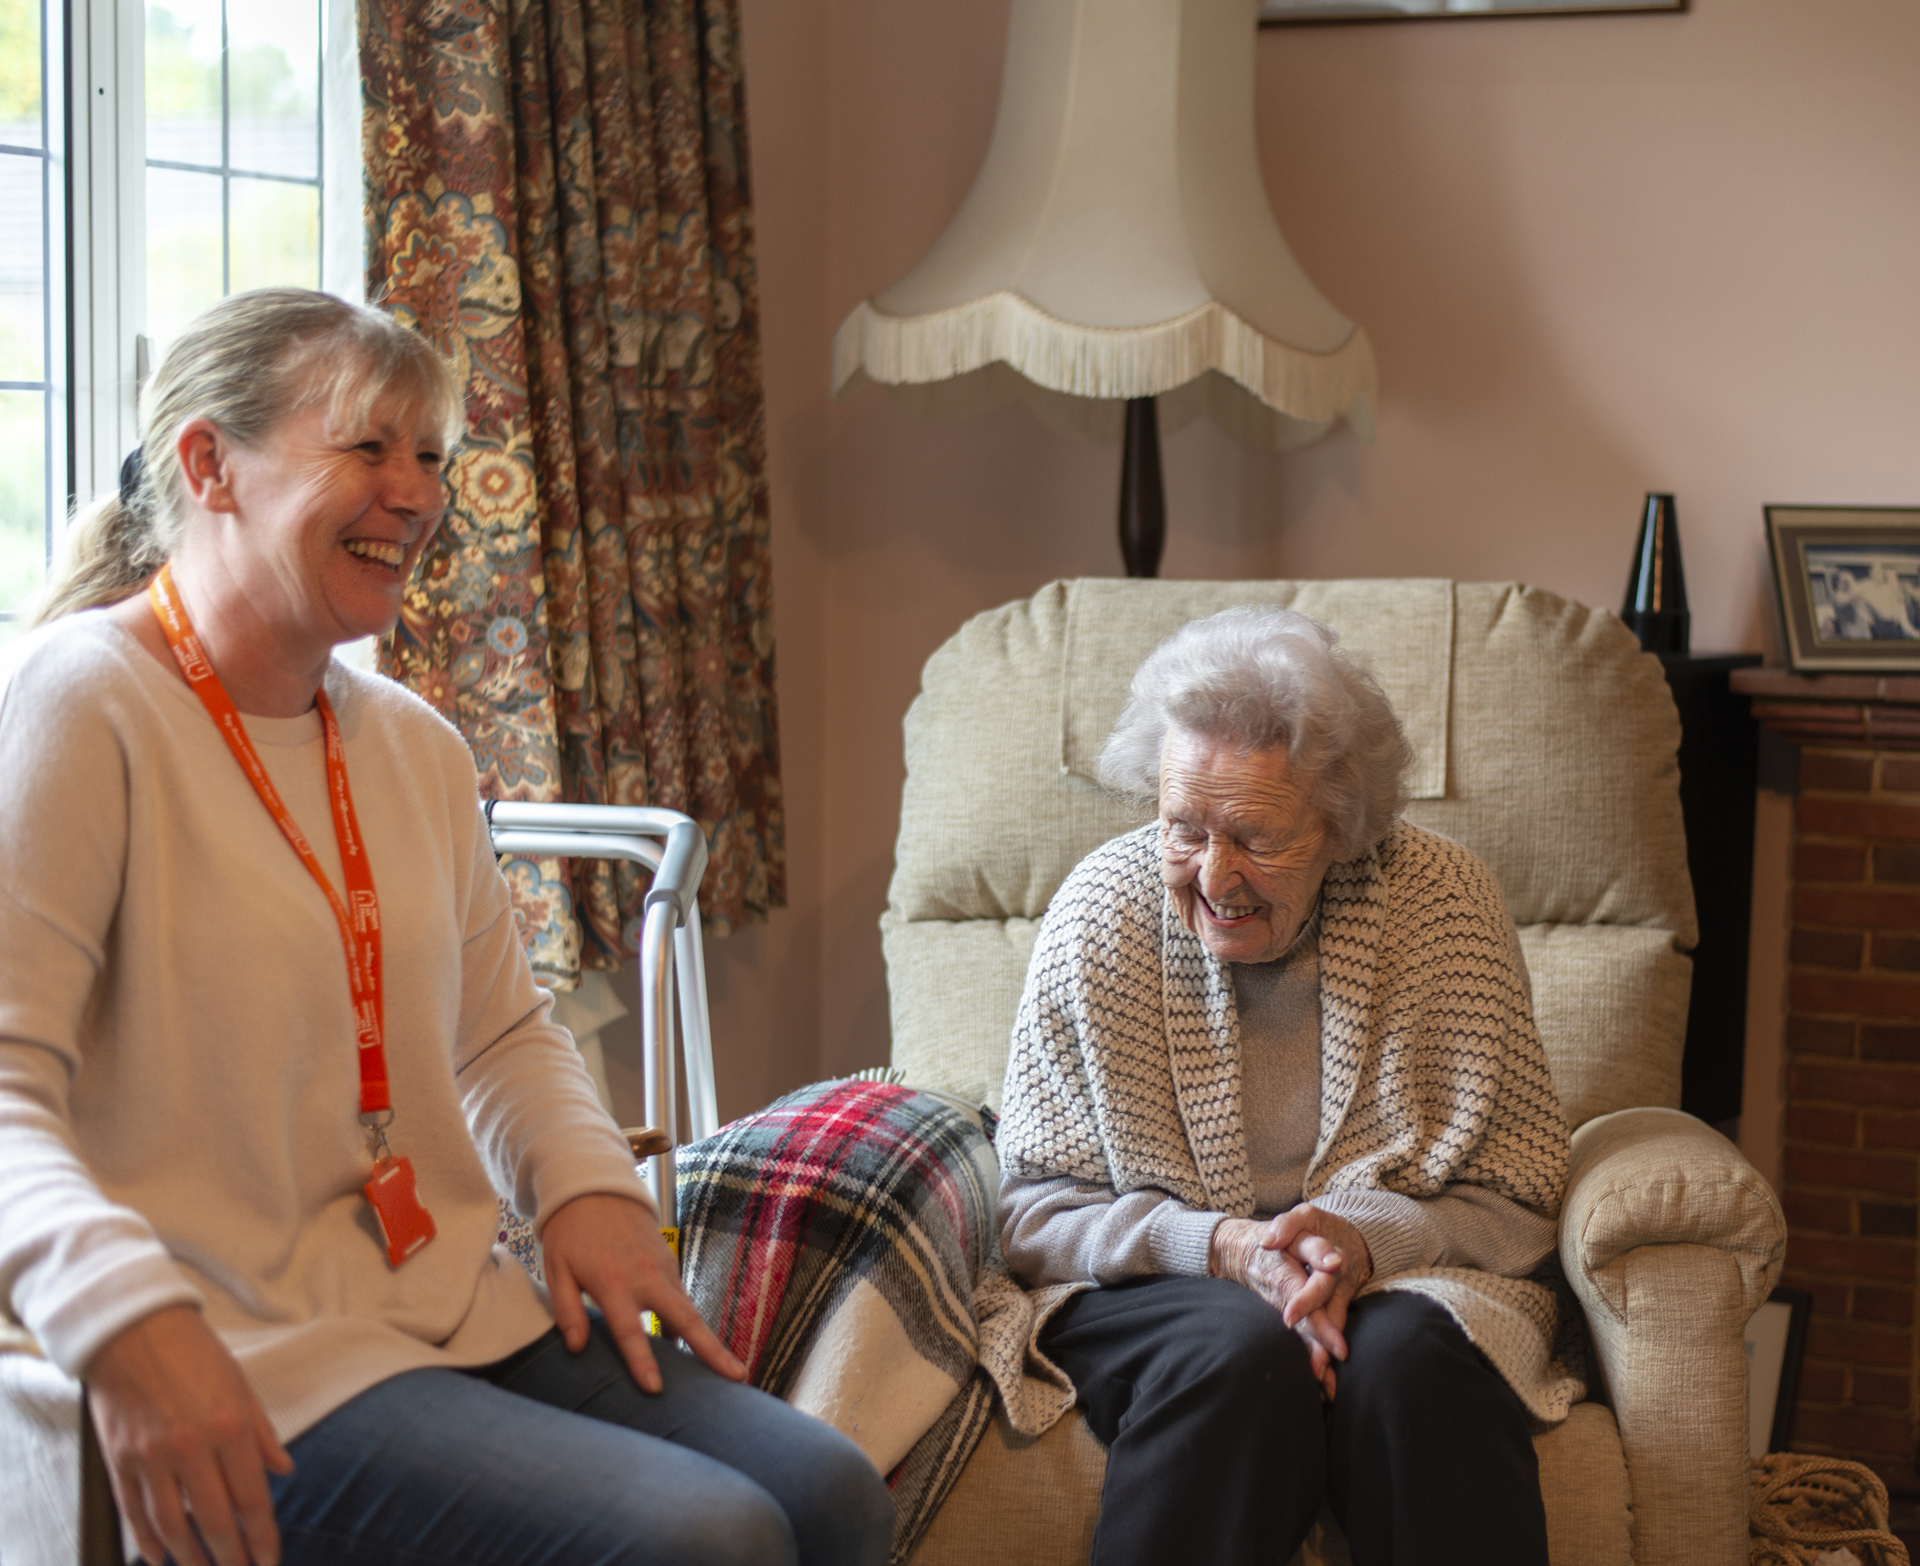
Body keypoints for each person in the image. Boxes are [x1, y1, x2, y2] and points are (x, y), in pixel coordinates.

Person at [0, 289, 893, 1566]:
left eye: (432, 456)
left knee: (831, 1492)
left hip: (452, 1307)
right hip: (233, 1342)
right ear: (210, 465)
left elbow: (497, 1036)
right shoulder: (77, 700)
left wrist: (585, 1190)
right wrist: (120, 1316)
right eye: (368, 448)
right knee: (710, 1537)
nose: (417, 494)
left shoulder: (413, 744)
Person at [996, 606, 1578, 1566]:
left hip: (1407, 1280)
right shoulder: (1099, 913)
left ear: (1340, 826)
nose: (1213, 876)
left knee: (1409, 1368)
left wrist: (1361, 1238)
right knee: (1240, 1354)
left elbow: (1518, 1193)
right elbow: (1028, 1213)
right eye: (1183, 829)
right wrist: (1223, 1248)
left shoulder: (1446, 907)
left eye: (1256, 838)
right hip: (1159, 1289)